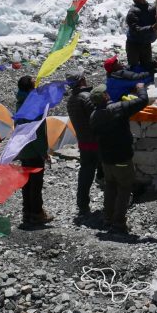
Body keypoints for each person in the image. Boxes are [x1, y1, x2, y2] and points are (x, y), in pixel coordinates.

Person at [90, 82, 149, 235]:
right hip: (121, 157)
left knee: (110, 187)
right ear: (105, 96)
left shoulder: (94, 116)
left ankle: (108, 218)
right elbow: (143, 101)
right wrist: (141, 88)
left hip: (106, 159)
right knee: (124, 188)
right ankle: (118, 223)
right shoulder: (118, 108)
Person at [13, 76, 51, 229]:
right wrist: (43, 151)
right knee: (36, 183)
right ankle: (37, 213)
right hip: (34, 149)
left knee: (27, 182)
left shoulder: (20, 101)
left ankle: (27, 212)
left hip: (23, 148)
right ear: (30, 88)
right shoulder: (33, 104)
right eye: (34, 84)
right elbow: (38, 132)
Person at [65, 72, 99, 221]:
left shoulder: (71, 100)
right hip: (96, 140)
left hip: (83, 141)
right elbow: (97, 118)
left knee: (85, 173)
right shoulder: (87, 97)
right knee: (108, 171)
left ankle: (82, 204)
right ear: (82, 80)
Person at [125, 0, 157, 72]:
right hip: (133, 44)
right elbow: (136, 30)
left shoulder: (154, 8)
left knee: (147, 65)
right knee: (133, 66)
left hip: (146, 43)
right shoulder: (132, 12)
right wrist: (152, 28)